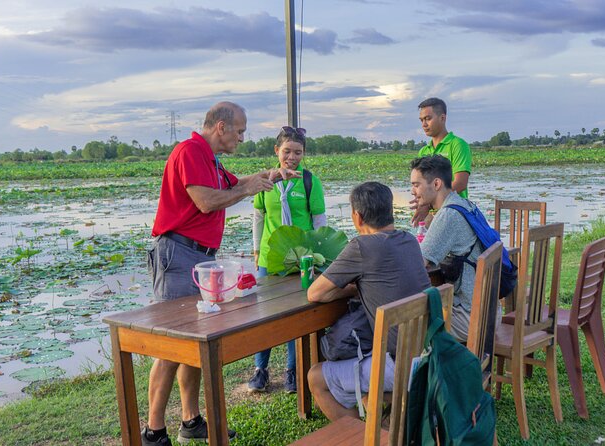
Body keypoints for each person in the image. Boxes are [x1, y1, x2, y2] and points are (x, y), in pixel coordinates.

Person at [143, 101, 300, 446]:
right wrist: (246, 190)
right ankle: (153, 431)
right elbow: (205, 200)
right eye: (240, 131)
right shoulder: (189, 152)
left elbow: (234, 182)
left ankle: (190, 420)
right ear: (221, 127)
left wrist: (270, 175)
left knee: (195, 340)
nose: (242, 137)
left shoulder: (210, 158)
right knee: (171, 343)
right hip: (177, 254)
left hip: (199, 257)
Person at [306, 182, 431, 421]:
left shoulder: (362, 246)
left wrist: (351, 289)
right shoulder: (409, 240)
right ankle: (382, 421)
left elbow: (315, 293)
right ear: (390, 210)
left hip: (399, 365)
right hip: (428, 355)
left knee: (316, 377)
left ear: (357, 216)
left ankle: (362, 436)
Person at [248, 126, 327, 394]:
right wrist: (257, 250)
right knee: (265, 314)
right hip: (270, 258)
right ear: (276, 151)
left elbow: (319, 221)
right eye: (287, 151)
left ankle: (292, 370)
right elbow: (258, 216)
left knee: (296, 314)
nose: (292, 157)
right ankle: (261, 369)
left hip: (300, 258)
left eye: (298, 152)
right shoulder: (266, 180)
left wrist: (319, 255)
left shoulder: (309, 181)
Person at [409, 155, 481, 342]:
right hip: (486, 310)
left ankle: (425, 371)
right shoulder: (465, 204)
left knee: (404, 324)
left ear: (437, 184)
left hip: (469, 317)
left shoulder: (448, 215)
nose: (412, 191)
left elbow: (420, 263)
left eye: (416, 184)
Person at [412, 97, 472, 224]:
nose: (424, 124)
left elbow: (460, 183)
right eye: (422, 120)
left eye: (428, 118)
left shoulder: (457, 145)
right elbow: (420, 185)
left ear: (442, 118)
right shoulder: (423, 152)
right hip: (431, 216)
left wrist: (427, 206)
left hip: (454, 212)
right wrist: (420, 202)